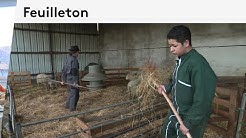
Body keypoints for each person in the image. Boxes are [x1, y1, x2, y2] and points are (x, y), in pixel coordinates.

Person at [158, 25, 217, 138]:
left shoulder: (198, 64)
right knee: (166, 133)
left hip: (192, 117)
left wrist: (189, 122)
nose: (171, 49)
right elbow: (177, 81)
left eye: (174, 46)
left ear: (186, 43)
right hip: (176, 112)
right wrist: (166, 87)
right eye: (169, 46)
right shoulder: (181, 60)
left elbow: (203, 98)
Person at [61, 45, 80, 112]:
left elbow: (64, 70)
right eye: (78, 52)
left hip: (68, 80)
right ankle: (72, 109)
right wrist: (75, 82)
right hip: (73, 81)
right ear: (75, 52)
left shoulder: (67, 59)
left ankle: (67, 106)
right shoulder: (74, 60)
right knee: (75, 95)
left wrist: (63, 79)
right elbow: (74, 72)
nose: (78, 54)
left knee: (71, 93)